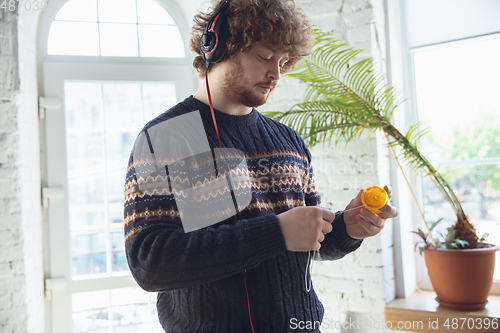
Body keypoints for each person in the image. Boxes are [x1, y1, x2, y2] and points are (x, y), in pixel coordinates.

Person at [124, 0, 399, 332]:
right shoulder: (168, 137)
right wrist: (277, 232)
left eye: (284, 62)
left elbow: (309, 240)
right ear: (218, 46)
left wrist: (348, 227)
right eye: (265, 57)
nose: (276, 74)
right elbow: (149, 262)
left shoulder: (290, 142)